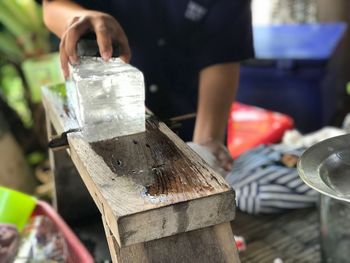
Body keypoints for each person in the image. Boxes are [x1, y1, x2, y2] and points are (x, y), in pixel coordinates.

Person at [42, 0, 254, 174]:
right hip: (107, 116)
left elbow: (222, 55)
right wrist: (75, 18)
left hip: (190, 118)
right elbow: (52, 6)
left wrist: (207, 143)